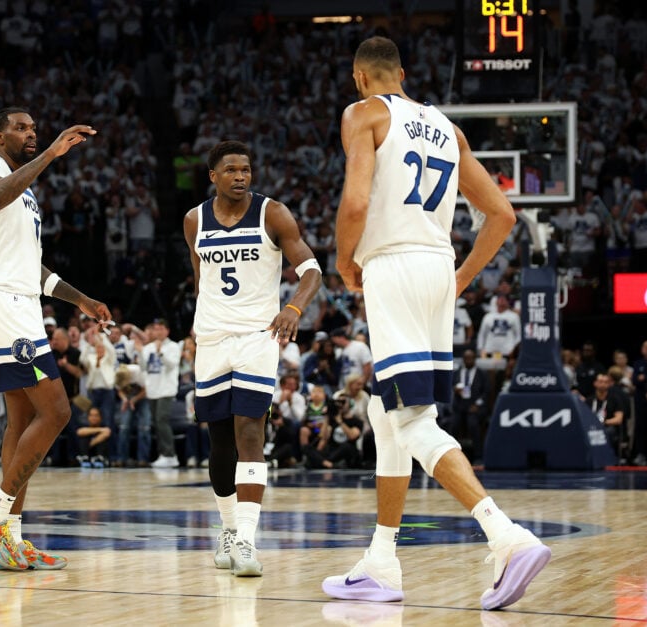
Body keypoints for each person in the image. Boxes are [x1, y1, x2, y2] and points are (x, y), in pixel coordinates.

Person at [323, 37, 549, 610]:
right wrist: (461, 278)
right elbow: (501, 215)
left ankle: (506, 537)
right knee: (386, 410)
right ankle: (382, 559)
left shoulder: (363, 113)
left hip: (393, 265)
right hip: (435, 268)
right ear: (401, 72)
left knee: (413, 420)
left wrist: (344, 259)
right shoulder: (448, 128)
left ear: (359, 78)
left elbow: (354, 204)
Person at [0, 107, 110, 572]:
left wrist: (80, 299)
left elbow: (34, 267)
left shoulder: (26, 197)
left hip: (21, 299)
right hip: (2, 302)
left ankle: (10, 537)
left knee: (22, 418)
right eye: (21, 128)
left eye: (34, 129)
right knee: (59, 410)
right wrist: (50, 152)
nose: (30, 133)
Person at [183, 140, 322, 577]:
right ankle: (226, 530)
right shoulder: (193, 221)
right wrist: (197, 327)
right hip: (211, 339)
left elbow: (312, 269)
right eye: (231, 169)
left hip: (258, 337)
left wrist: (293, 306)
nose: (241, 176)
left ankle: (246, 539)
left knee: (249, 434)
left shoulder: (272, 213)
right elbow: (200, 279)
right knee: (218, 442)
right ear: (214, 176)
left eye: (246, 169)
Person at [141, 319, 181, 468]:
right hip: (152, 390)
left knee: (162, 420)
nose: (158, 332)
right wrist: (140, 351)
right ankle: (163, 454)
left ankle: (170, 455)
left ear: (167, 331)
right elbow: (144, 367)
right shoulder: (148, 347)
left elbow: (172, 366)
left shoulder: (173, 346)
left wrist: (160, 352)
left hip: (166, 389)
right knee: (157, 423)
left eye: (161, 329)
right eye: (156, 329)